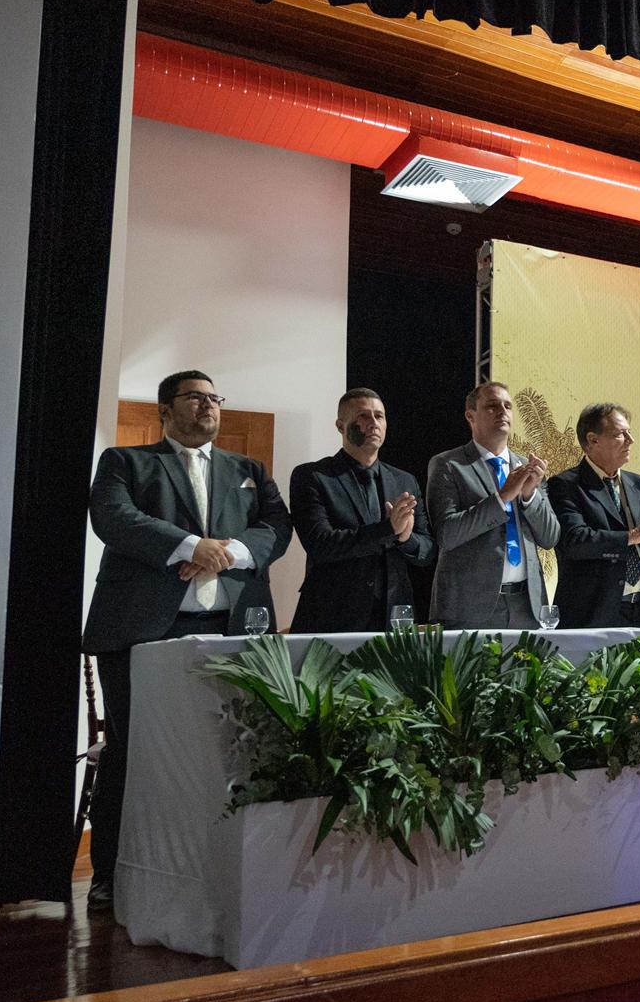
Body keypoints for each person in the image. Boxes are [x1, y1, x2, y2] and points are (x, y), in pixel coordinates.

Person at [82, 370, 292, 910]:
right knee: (131, 752)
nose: (208, 405)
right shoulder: (125, 462)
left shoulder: (249, 470)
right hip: (143, 633)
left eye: (213, 397)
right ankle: (110, 875)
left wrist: (228, 553)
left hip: (234, 630)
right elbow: (114, 518)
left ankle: (222, 868)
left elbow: (276, 527)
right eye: (195, 397)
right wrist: (190, 545)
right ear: (165, 409)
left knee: (235, 751)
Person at [288, 388, 435, 632]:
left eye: (379, 416)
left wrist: (405, 537)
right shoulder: (313, 476)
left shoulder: (404, 480)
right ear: (340, 425)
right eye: (363, 416)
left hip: (392, 617)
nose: (373, 423)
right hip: (331, 615)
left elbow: (427, 551)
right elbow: (320, 544)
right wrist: (388, 529)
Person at [426, 381, 560, 630]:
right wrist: (502, 497)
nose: (502, 412)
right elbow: (447, 534)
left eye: (507, 406)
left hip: (527, 606)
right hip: (469, 607)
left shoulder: (527, 467)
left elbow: (550, 537)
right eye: (492, 406)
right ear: (470, 416)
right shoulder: (449, 465)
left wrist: (530, 495)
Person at [546, 402, 640, 629]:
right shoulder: (565, 484)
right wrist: (629, 537)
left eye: (630, 432)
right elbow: (575, 541)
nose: (630, 440)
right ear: (593, 439)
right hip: (593, 612)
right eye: (620, 434)